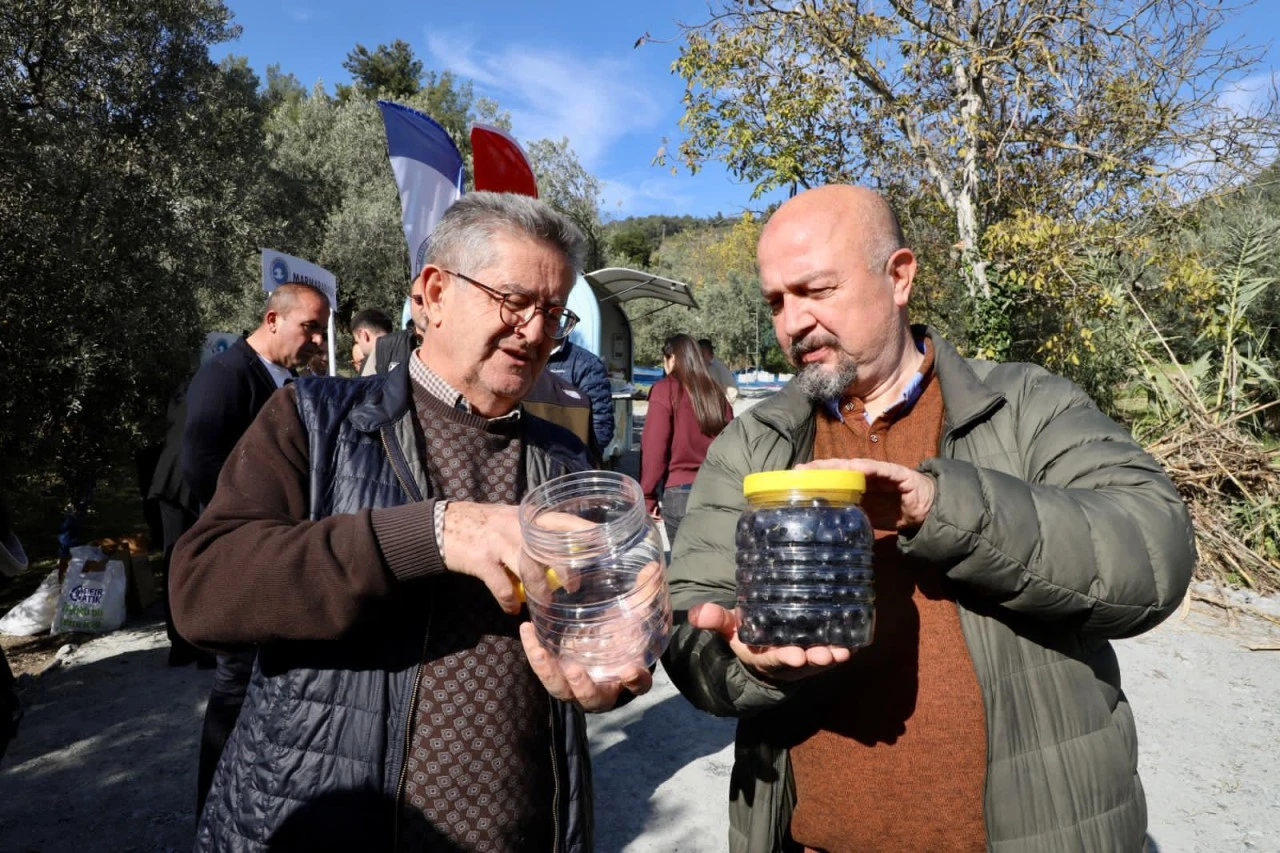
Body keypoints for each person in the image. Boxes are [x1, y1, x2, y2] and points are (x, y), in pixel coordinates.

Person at [661, 185, 1196, 852]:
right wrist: (755, 666)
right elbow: (693, 639)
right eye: (776, 300)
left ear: (900, 276)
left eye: (815, 290)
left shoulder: (1023, 406)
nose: (792, 323)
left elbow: (1154, 552)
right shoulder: (753, 445)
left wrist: (940, 506)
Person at [171, 192, 652, 852]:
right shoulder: (318, 418)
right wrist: (432, 531)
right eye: (515, 302)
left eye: (552, 312)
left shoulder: (564, 458)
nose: (537, 333)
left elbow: (586, 633)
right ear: (433, 292)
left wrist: (606, 669)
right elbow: (203, 592)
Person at [181, 281, 330, 820]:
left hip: (280, 554)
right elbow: (199, 466)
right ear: (272, 320)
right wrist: (245, 530)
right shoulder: (225, 378)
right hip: (243, 556)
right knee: (236, 682)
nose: (317, 340)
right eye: (308, 327)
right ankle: (212, 811)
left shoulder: (285, 379)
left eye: (322, 329)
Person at [641, 334, 733, 544]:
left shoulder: (665, 390)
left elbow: (654, 448)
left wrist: (647, 496)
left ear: (671, 358)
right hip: (719, 492)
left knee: (685, 570)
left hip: (681, 494)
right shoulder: (716, 393)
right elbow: (732, 444)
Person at [546, 337, 615, 457]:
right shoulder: (526, 357)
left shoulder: (587, 364)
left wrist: (578, 463)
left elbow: (601, 426)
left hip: (570, 462)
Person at [363, 272, 427, 375]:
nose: (427, 305)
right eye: (419, 299)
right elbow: (367, 388)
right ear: (410, 301)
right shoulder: (384, 347)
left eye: (432, 299)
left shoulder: (459, 346)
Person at [350, 307, 394, 373]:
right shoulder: (406, 351)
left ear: (364, 334)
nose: (360, 347)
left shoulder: (371, 366)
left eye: (357, 341)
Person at [699, 338, 739, 403]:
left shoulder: (719, 367)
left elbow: (733, 389)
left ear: (705, 351)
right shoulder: (702, 366)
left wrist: (723, 406)